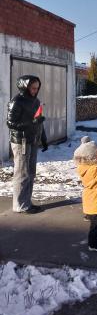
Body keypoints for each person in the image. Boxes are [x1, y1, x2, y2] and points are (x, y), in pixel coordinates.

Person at [7, 75, 48, 214]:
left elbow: (39, 121)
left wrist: (43, 138)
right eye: (32, 88)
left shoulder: (35, 101)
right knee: (22, 173)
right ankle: (20, 205)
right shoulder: (16, 101)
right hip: (21, 142)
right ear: (25, 86)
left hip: (33, 140)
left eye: (37, 88)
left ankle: (27, 202)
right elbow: (10, 123)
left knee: (30, 172)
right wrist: (31, 123)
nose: (35, 90)